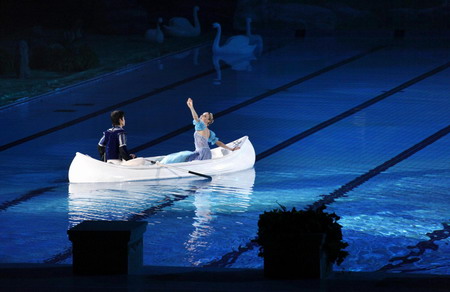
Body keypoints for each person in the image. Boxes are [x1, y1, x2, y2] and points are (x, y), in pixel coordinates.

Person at [161, 98, 239, 164]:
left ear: (208, 121)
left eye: (205, 116)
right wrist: (231, 149)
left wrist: (191, 107)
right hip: (206, 153)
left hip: (201, 153)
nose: (201, 116)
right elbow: (218, 143)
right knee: (183, 156)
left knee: (180, 156)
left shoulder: (201, 126)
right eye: (202, 114)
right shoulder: (209, 132)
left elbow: (196, 118)